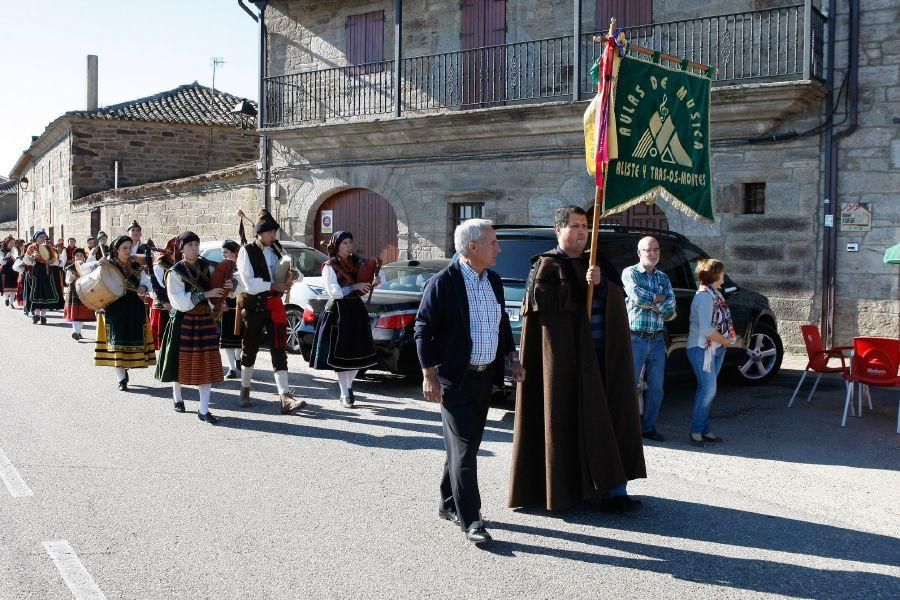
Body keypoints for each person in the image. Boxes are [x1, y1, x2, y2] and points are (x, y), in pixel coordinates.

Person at [508, 205, 646, 513]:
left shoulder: (597, 263)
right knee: (563, 420)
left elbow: (618, 301)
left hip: (601, 360)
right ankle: (564, 488)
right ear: (559, 230)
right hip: (565, 363)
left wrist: (601, 286)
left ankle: (614, 491)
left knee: (609, 420)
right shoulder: (546, 265)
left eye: (585, 226)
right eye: (575, 226)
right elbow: (545, 319)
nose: (582, 232)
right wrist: (578, 286)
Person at [414, 219, 524, 546]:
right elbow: (423, 328)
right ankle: (471, 518)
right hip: (454, 379)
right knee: (464, 449)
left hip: (484, 377)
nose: (498, 248)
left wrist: (512, 358)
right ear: (473, 247)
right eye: (493, 243)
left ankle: (448, 503)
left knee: (466, 446)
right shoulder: (444, 282)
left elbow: (501, 320)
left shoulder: (493, 279)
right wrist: (428, 375)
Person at [235, 209, 305, 414]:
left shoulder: (277, 250)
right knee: (250, 349)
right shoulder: (246, 251)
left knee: (278, 349)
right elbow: (248, 283)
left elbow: (297, 275)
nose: (273, 236)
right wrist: (274, 286)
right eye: (269, 233)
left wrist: (293, 275)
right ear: (259, 233)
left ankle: (285, 396)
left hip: (274, 307)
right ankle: (245, 388)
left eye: (274, 232)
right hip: (254, 306)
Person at [155, 232, 227, 424]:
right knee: (181, 362)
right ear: (181, 249)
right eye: (190, 245)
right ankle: (177, 395)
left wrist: (224, 289)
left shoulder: (207, 267)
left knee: (207, 364)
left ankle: (204, 409)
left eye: (196, 244)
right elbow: (179, 301)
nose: (194, 248)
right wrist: (205, 294)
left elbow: (217, 289)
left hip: (204, 318)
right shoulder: (175, 272)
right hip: (183, 319)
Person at [309, 231, 379, 408]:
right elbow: (334, 292)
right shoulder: (329, 266)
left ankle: (348, 387)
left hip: (356, 310)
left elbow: (370, 279)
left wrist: (375, 280)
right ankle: (344, 392)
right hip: (339, 312)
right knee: (342, 354)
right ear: (337, 246)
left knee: (358, 352)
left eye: (350, 242)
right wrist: (354, 286)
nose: (349, 246)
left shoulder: (357, 262)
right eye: (345, 243)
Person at [84, 235, 156, 391]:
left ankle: (125, 368)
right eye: (125, 248)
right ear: (116, 250)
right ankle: (121, 379)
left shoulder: (136, 266)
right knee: (117, 342)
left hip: (134, 306)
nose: (128, 250)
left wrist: (144, 288)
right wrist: (98, 263)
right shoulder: (107, 264)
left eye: (130, 247)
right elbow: (85, 270)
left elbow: (147, 283)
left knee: (131, 339)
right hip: (114, 307)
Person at [622, 236, 676, 442]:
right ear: (639, 252)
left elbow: (672, 308)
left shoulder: (663, 277)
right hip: (636, 338)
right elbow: (636, 296)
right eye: (648, 250)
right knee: (629, 385)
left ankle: (648, 427)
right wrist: (658, 299)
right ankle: (626, 428)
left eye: (656, 249)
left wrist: (653, 302)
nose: (652, 253)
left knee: (657, 387)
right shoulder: (630, 273)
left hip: (657, 339)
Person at [687, 259, 736, 447]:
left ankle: (703, 428)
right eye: (722, 272)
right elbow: (707, 329)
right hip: (702, 348)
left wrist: (725, 341)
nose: (724, 275)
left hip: (713, 348)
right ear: (715, 275)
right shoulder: (705, 297)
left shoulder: (715, 294)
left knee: (707, 389)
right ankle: (697, 430)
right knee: (708, 389)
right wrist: (726, 341)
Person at [22, 230, 64, 324]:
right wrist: (32, 256)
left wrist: (53, 261)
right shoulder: (31, 247)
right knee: (36, 293)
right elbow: (26, 261)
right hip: (36, 273)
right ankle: (36, 315)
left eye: (44, 237)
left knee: (46, 294)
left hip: (47, 272)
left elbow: (55, 259)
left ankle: (43, 316)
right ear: (36, 238)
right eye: (41, 237)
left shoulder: (49, 248)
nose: (43, 239)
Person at [148, 237, 179, 350]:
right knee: (164, 339)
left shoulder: (179, 263)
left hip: (177, 305)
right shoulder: (160, 264)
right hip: (163, 306)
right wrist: (164, 301)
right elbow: (154, 286)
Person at [219, 240, 243, 379]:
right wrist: (221, 302)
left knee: (240, 336)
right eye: (222, 253)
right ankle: (232, 368)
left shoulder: (242, 266)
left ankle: (238, 358)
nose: (224, 256)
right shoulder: (222, 268)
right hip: (226, 304)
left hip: (241, 304)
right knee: (227, 338)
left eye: (226, 252)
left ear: (234, 253)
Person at [64, 248, 95, 340]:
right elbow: (66, 281)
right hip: (73, 291)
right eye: (77, 255)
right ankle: (76, 332)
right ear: (74, 257)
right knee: (75, 313)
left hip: (83, 291)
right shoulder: (70, 268)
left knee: (81, 314)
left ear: (84, 257)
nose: (79, 257)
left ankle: (77, 332)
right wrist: (71, 278)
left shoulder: (87, 266)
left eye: (81, 255)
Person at [1, 236, 18, 308]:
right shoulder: (1, 251)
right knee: (7, 287)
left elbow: (17, 261)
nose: (12, 244)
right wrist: (6, 257)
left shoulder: (15, 250)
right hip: (6, 270)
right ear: (7, 243)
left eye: (13, 243)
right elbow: (1, 261)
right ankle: (6, 298)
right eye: (10, 243)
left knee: (14, 288)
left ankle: (11, 303)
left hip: (14, 270)